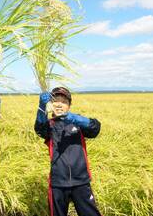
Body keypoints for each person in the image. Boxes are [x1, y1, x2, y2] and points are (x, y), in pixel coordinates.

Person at [34, 87, 102, 216]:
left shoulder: (77, 122)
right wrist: (42, 107)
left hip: (81, 181)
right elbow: (39, 129)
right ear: (50, 104)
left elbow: (95, 128)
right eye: (55, 100)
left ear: (69, 105)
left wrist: (74, 118)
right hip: (58, 183)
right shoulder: (49, 125)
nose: (59, 104)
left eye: (64, 101)